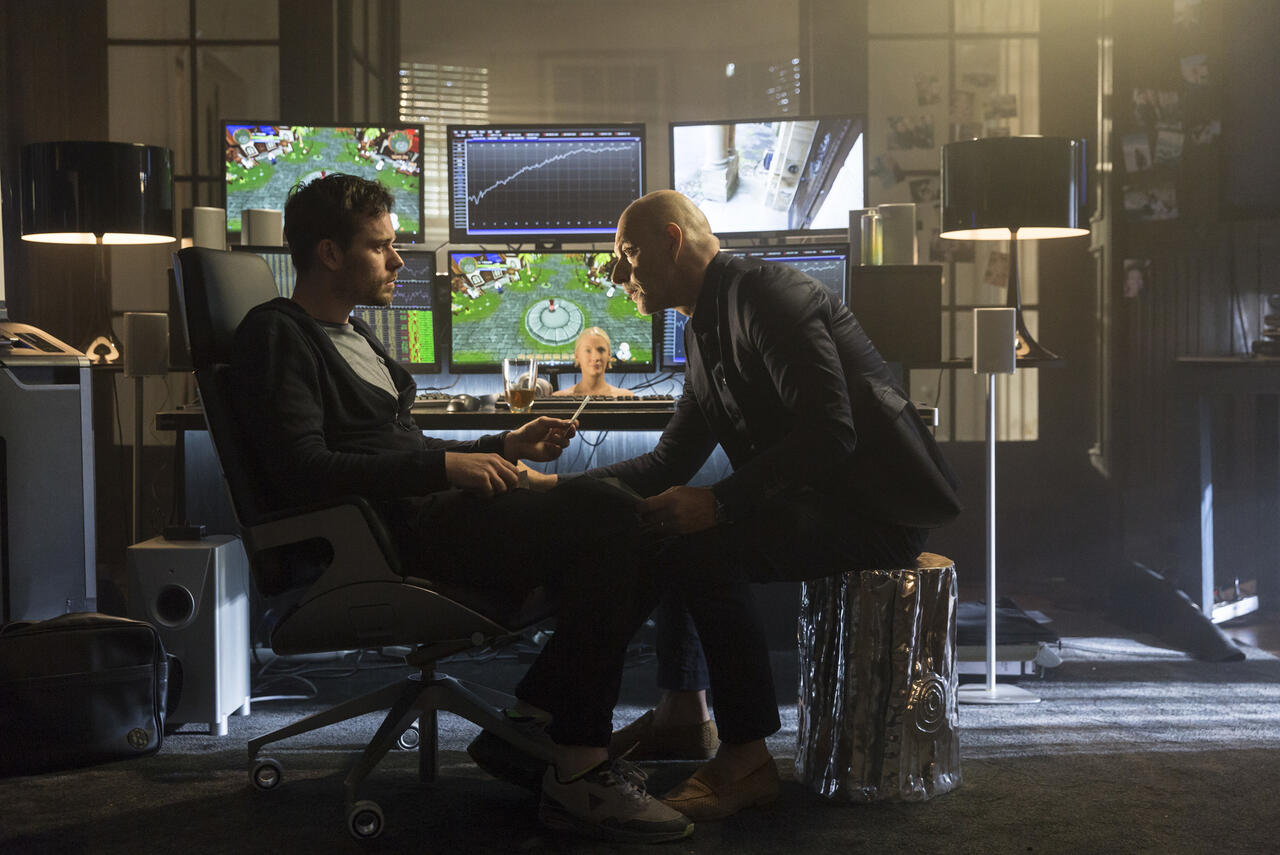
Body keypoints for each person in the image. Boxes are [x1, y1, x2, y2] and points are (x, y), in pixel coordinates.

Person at [228, 174, 694, 844]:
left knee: (638, 517)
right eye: (381, 247)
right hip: (388, 538)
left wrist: (501, 444)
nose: (397, 261)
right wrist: (445, 467)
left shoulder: (352, 334)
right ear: (328, 254)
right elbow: (304, 471)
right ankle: (578, 767)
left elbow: (406, 449)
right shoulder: (278, 335)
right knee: (613, 513)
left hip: (430, 515)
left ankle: (537, 722)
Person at [526, 189, 961, 822]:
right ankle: (678, 714)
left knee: (700, 548)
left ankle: (747, 758)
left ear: (672, 241)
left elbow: (830, 434)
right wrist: (554, 488)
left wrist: (720, 503)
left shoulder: (767, 296)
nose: (618, 275)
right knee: (661, 524)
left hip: (877, 512)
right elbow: (666, 464)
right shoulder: (702, 326)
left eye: (628, 254)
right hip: (816, 501)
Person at [552, 327, 634, 397]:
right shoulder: (558, 397)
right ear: (577, 355)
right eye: (588, 350)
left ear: (609, 355)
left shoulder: (626, 396)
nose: (595, 357)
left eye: (601, 350)